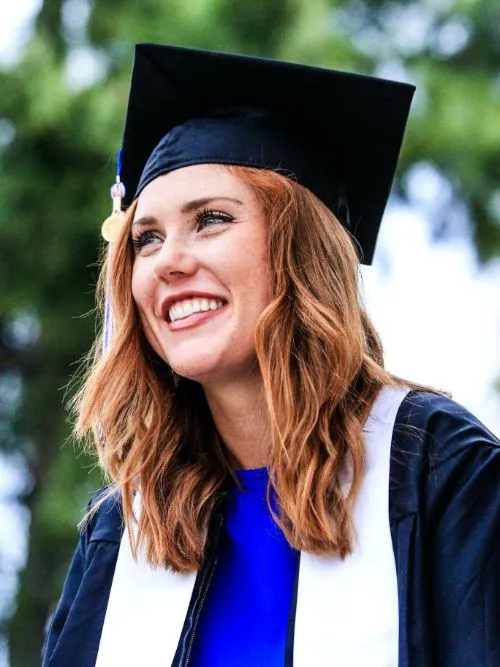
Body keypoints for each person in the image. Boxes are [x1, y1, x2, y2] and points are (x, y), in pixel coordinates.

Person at [42, 44, 500, 667]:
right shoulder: (123, 532)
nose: (168, 261)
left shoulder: (437, 471)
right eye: (146, 238)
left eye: (210, 220)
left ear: (301, 252)